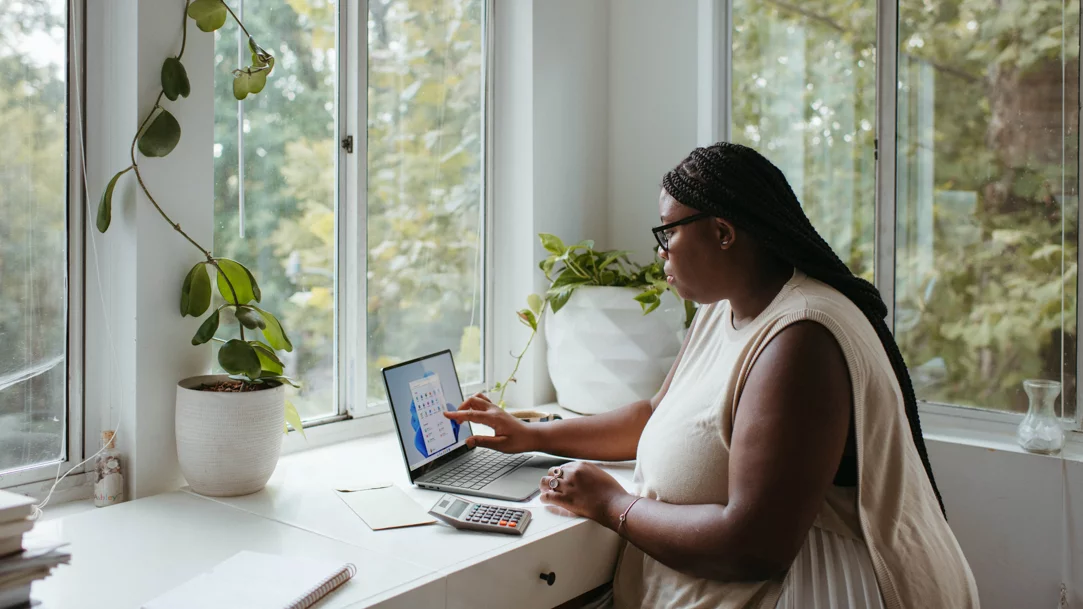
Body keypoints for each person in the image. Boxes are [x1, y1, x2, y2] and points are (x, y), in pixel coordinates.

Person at [445, 142, 979, 609]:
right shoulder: (722, 309)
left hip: (819, 590)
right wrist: (532, 433)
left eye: (667, 232)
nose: (660, 252)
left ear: (722, 232)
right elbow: (655, 415)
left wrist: (611, 504)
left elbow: (753, 546)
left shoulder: (801, 339)